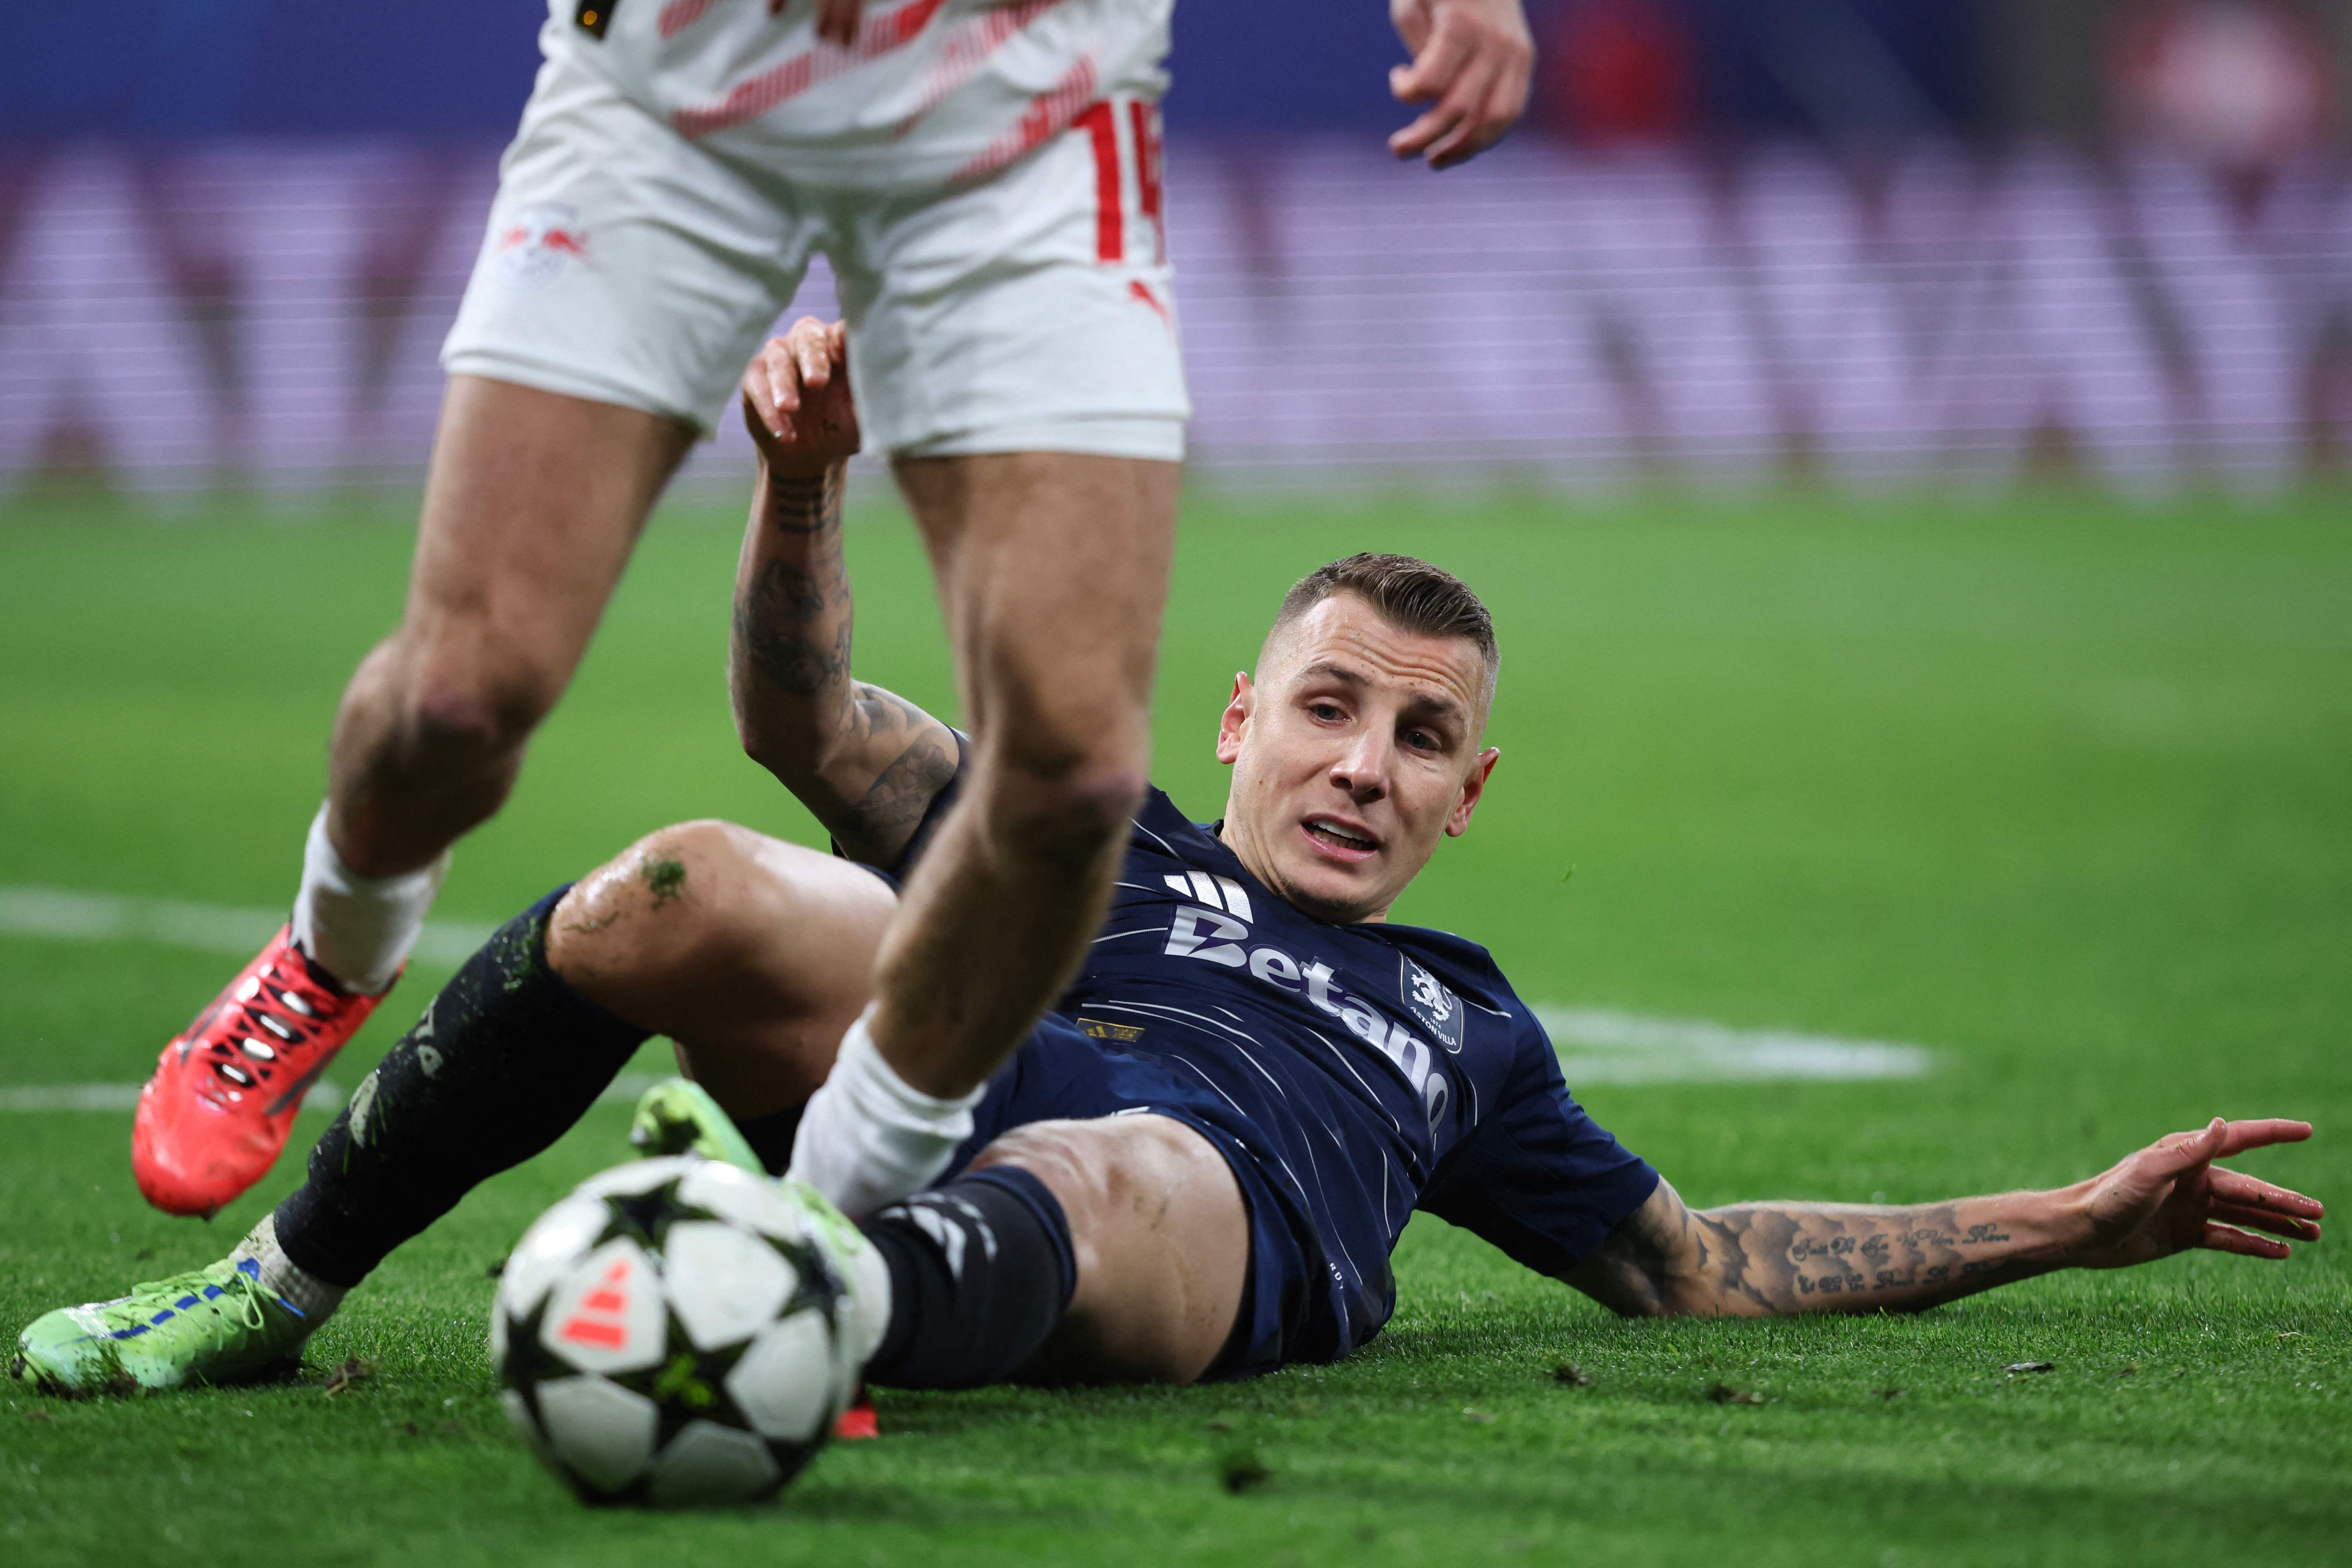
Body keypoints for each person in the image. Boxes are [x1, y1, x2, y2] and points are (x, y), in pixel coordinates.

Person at [25, 327, 2319, 1404]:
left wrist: (2069, 1222)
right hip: (959, 1054)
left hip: (1176, 1224)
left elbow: (1701, 1270)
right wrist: (804, 476)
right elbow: (803, 720)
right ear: (1239, 715)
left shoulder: (1463, 1022)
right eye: (1328, 704)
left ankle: (795, 1316)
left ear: (1465, 798)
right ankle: (277, 1295)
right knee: (686, 877)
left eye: (1423, 739)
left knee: (1121, 1161)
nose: (1364, 762)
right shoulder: (1071, 837)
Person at [129, 0, 1542, 1226]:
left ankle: (826, 1231)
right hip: (682, 88)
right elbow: (793, 724)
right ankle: (331, 949)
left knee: (1070, 778)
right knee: (458, 699)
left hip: (1027, 107)